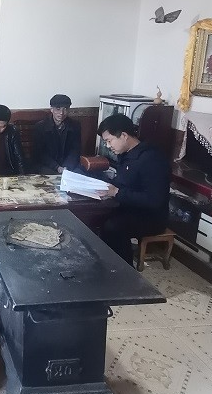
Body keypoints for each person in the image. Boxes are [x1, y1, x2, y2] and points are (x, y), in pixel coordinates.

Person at [96, 113, 170, 266]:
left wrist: (117, 193)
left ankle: (125, 271)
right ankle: (106, 265)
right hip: (129, 207)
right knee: (97, 218)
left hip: (150, 217)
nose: (108, 146)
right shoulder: (126, 154)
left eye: (109, 141)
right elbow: (123, 182)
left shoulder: (151, 158)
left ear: (124, 135)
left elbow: (154, 200)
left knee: (113, 227)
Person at [32, 94, 82, 174]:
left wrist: (67, 167)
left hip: (68, 165)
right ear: (51, 109)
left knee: (79, 174)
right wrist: (57, 167)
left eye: (65, 109)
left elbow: (75, 150)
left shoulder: (75, 126)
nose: (61, 113)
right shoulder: (40, 127)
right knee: (52, 177)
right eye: (58, 109)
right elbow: (39, 153)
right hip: (47, 165)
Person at [0, 104, 25, 176]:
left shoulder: (12, 132)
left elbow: (19, 157)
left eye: (2, 127)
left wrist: (22, 177)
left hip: (8, 174)